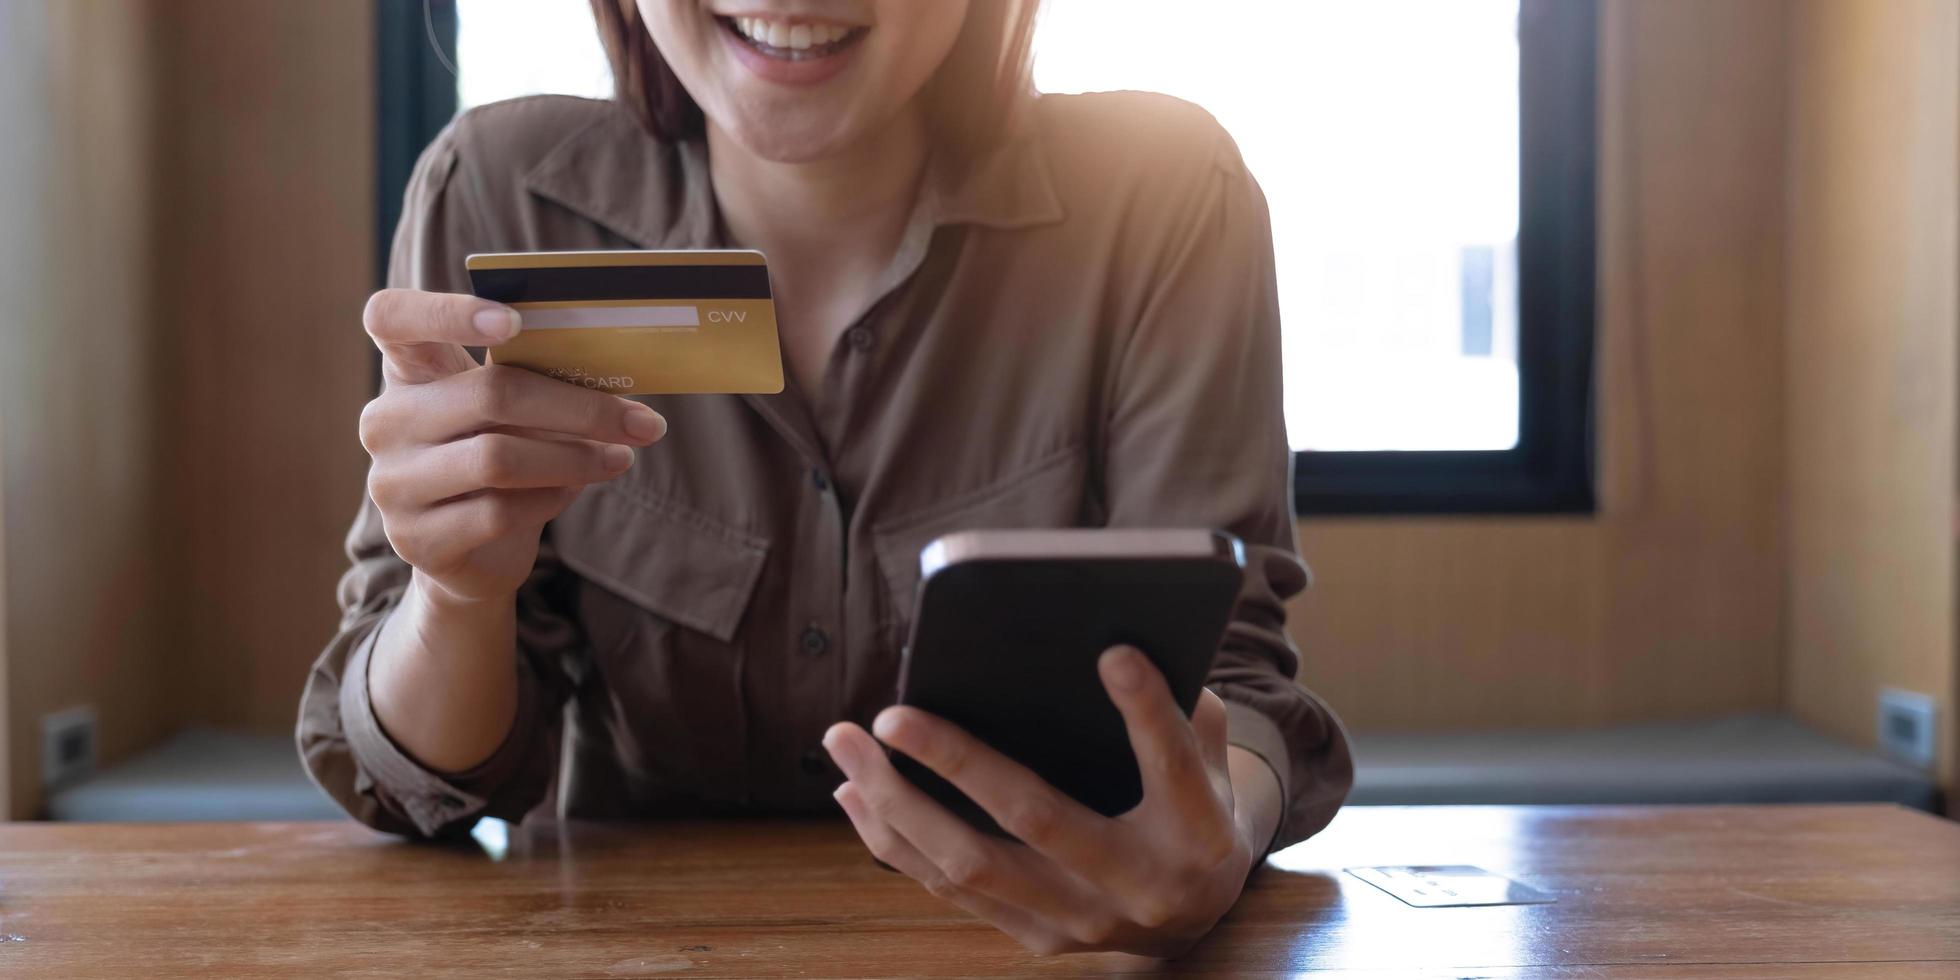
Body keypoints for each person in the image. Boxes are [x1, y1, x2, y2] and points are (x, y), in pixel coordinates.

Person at [300, 0, 1352, 957]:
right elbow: (415, 789)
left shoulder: (1164, 195)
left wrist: (1216, 840)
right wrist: (454, 592)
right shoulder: (495, 190)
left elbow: (1234, 687)